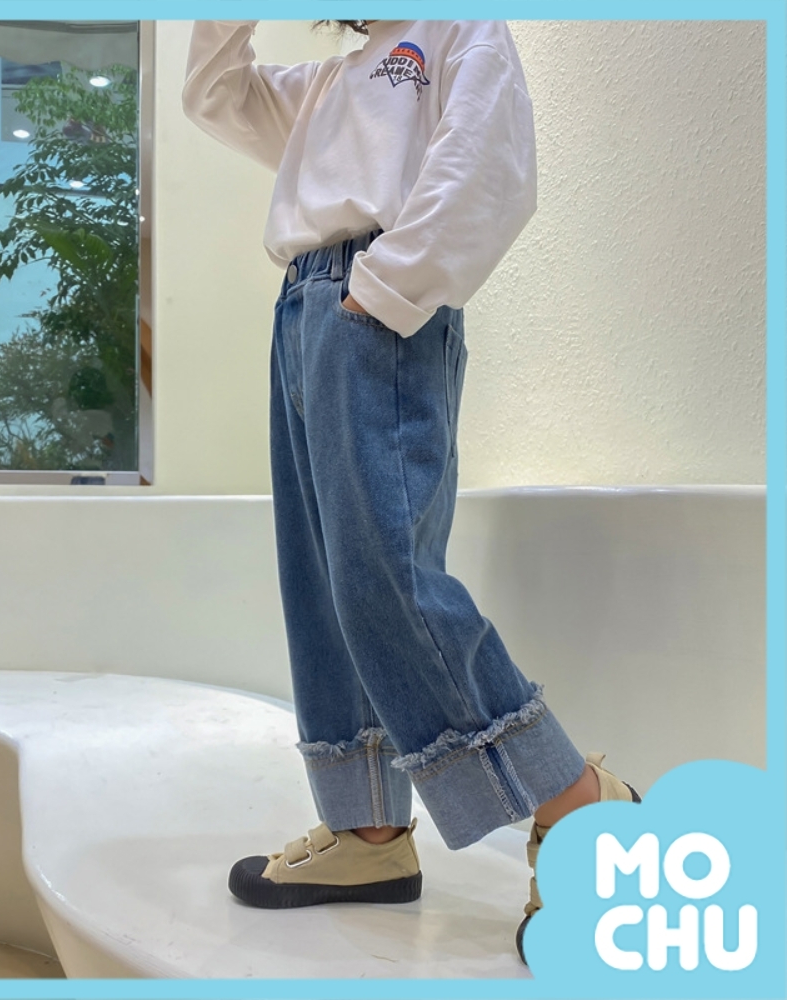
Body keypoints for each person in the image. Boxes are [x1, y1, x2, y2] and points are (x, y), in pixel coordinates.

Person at [182, 19, 639, 964]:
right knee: (325, 580)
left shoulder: (455, 27)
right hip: (304, 311)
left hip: (372, 308)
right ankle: (370, 830)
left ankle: (582, 804)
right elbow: (214, 92)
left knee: (386, 575)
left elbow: (489, 165)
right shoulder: (333, 77)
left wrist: (385, 290)